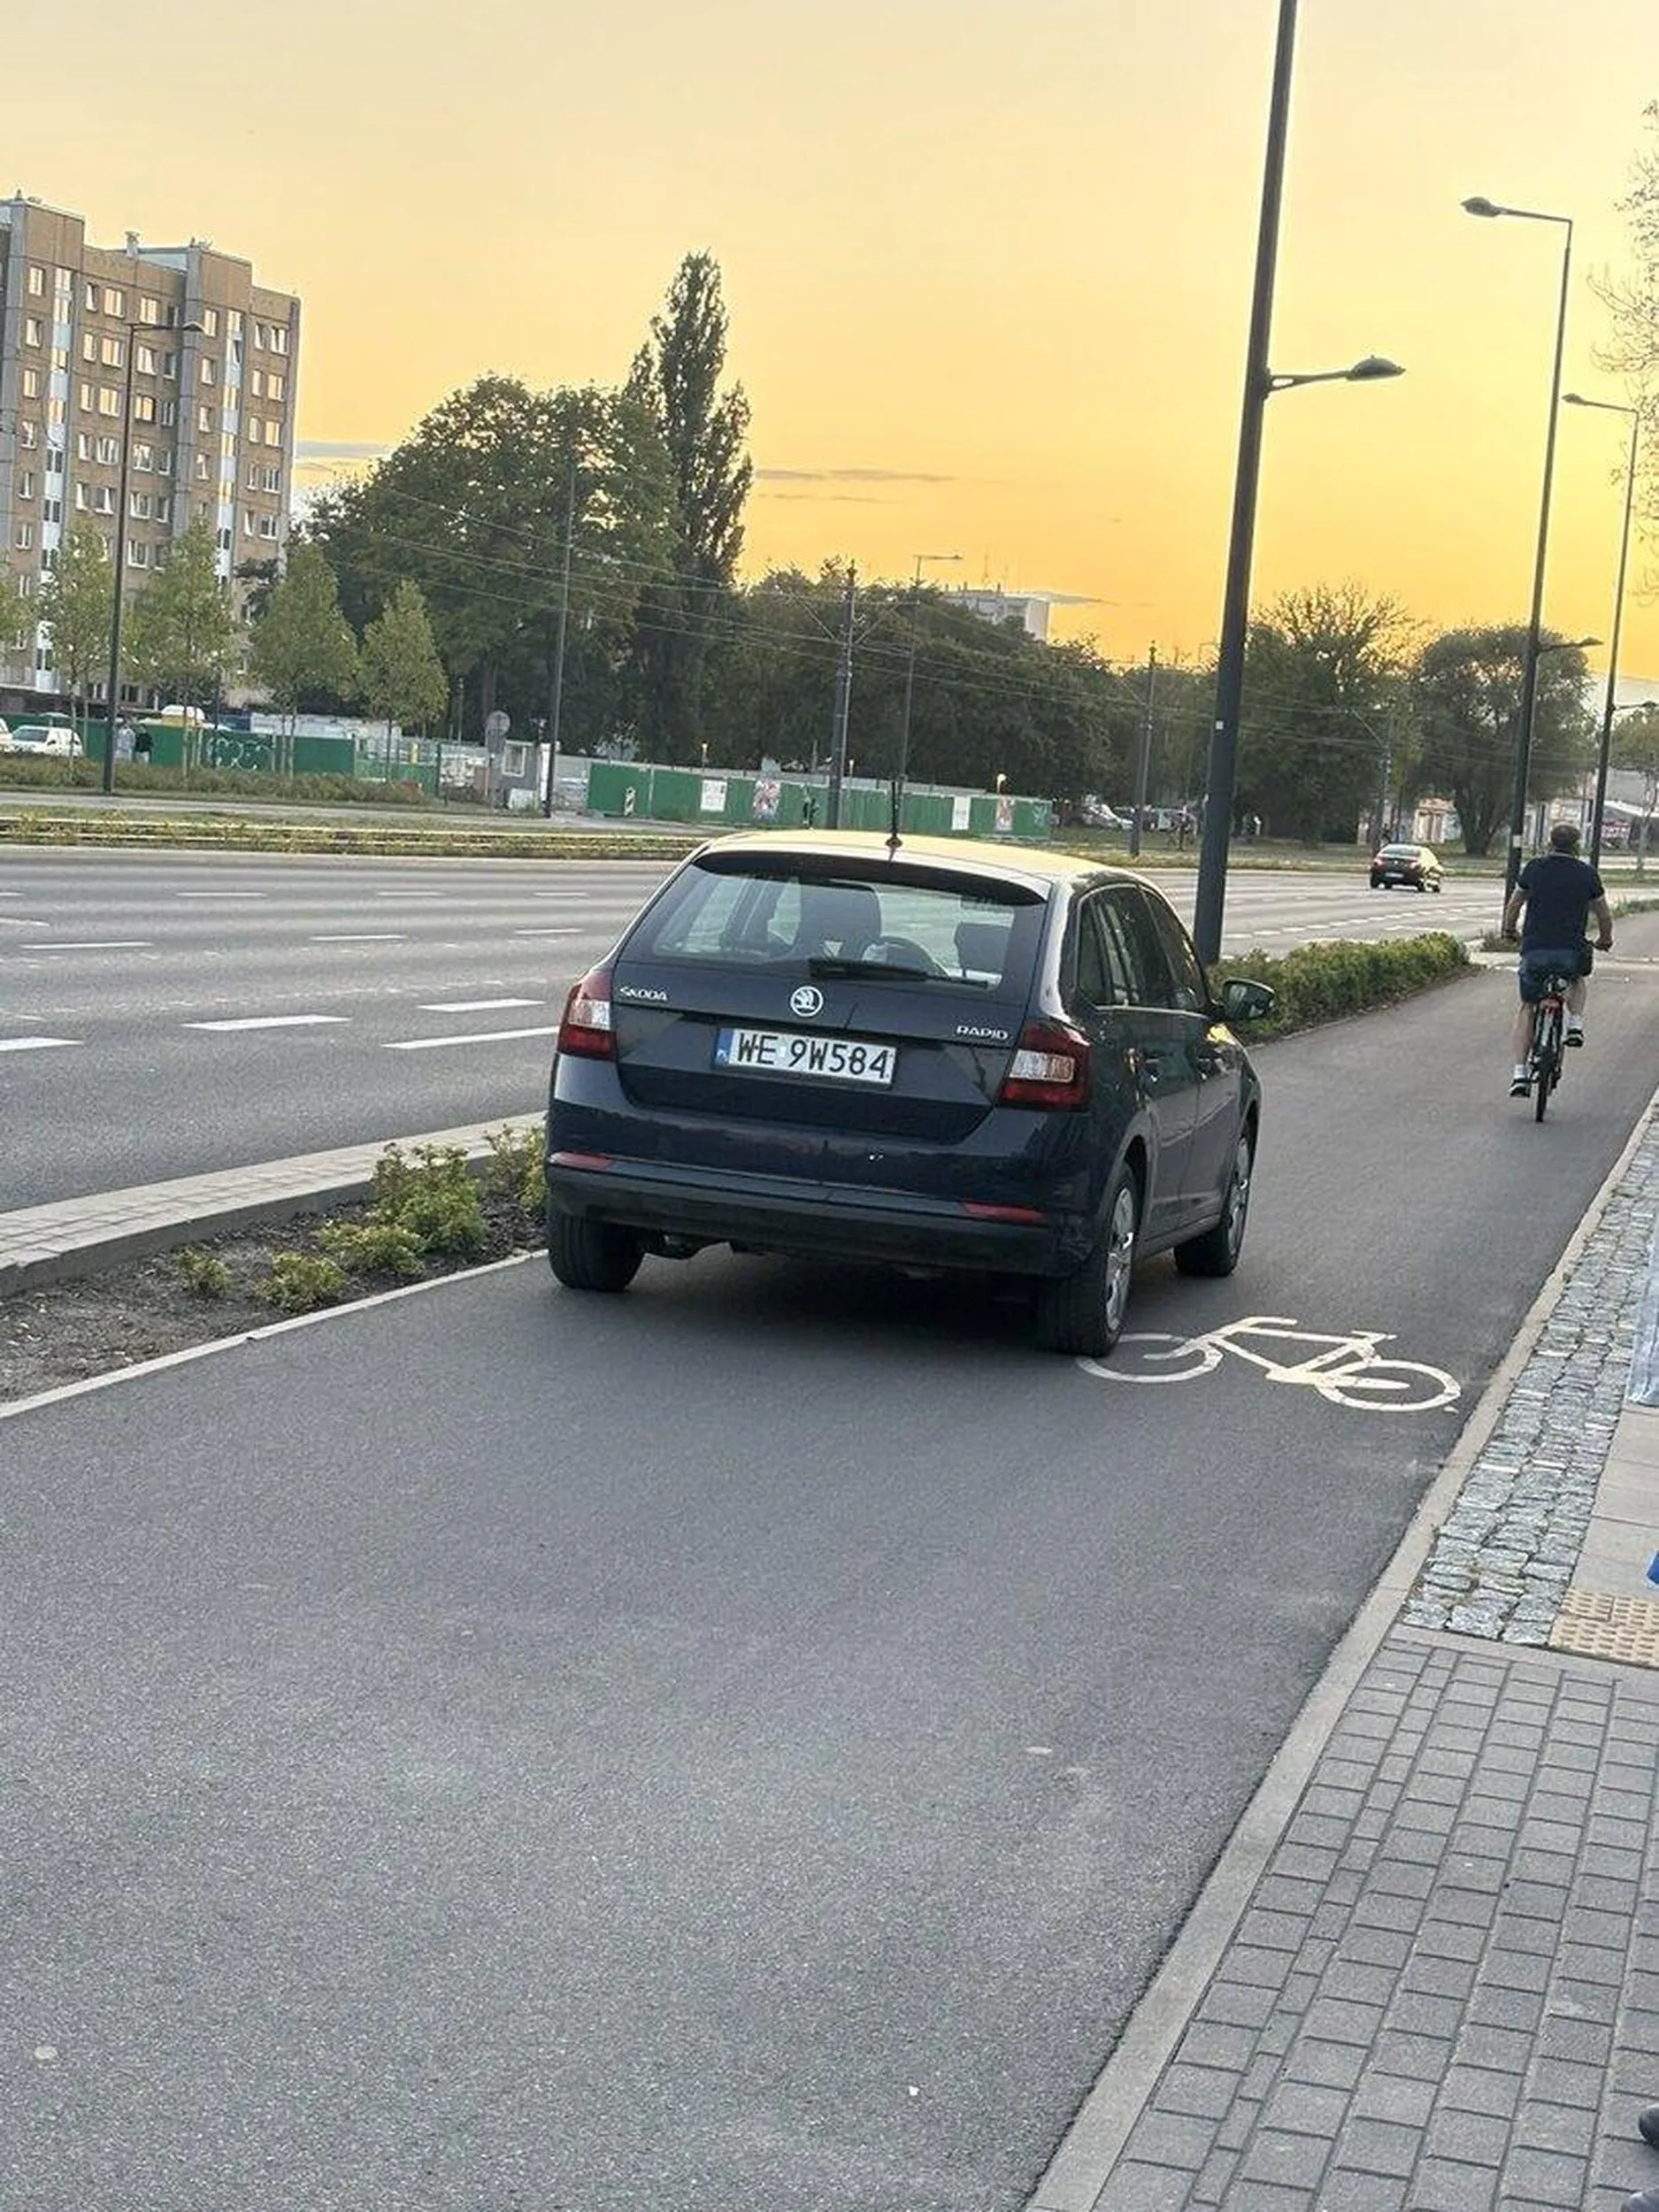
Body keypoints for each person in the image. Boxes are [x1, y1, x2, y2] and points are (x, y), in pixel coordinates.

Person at [1501, 821, 1612, 1097]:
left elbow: (1515, 903)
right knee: (1576, 979)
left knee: (1528, 1005)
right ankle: (1575, 1024)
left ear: (1550, 842)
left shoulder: (1534, 869)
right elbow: (1604, 915)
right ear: (1576, 846)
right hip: (1570, 949)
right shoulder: (1587, 874)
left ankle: (1519, 1074)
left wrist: (1508, 930)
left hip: (1535, 948)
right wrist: (1605, 939)